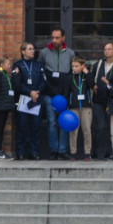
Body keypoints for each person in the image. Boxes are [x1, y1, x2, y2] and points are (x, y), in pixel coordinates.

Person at [40, 27, 76, 160]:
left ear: (63, 38)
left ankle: (62, 150)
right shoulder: (44, 53)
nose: (54, 40)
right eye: (53, 37)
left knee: (64, 120)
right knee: (52, 122)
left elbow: (73, 72)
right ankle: (53, 149)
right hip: (49, 92)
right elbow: (40, 69)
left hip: (64, 93)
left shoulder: (71, 53)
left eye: (57, 38)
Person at [12, 42, 44, 160]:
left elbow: (43, 80)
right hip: (23, 99)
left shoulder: (38, 64)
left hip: (36, 99)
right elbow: (17, 83)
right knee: (22, 126)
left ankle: (34, 152)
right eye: (30, 49)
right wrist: (29, 92)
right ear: (23, 51)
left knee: (35, 127)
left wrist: (36, 92)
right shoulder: (17, 65)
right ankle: (20, 152)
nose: (32, 51)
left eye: (33, 49)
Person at [90, 41, 113, 160]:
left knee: (111, 128)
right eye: (105, 49)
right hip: (98, 100)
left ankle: (110, 152)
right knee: (100, 126)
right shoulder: (98, 64)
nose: (106, 51)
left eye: (109, 49)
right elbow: (91, 78)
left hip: (112, 101)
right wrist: (93, 86)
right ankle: (96, 153)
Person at [67, 56, 92, 160]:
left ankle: (87, 153)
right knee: (73, 131)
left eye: (76, 66)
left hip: (86, 107)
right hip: (74, 107)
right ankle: (73, 152)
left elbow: (92, 84)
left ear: (82, 66)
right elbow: (67, 91)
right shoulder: (70, 77)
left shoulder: (86, 77)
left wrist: (87, 73)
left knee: (86, 130)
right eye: (73, 66)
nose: (74, 68)